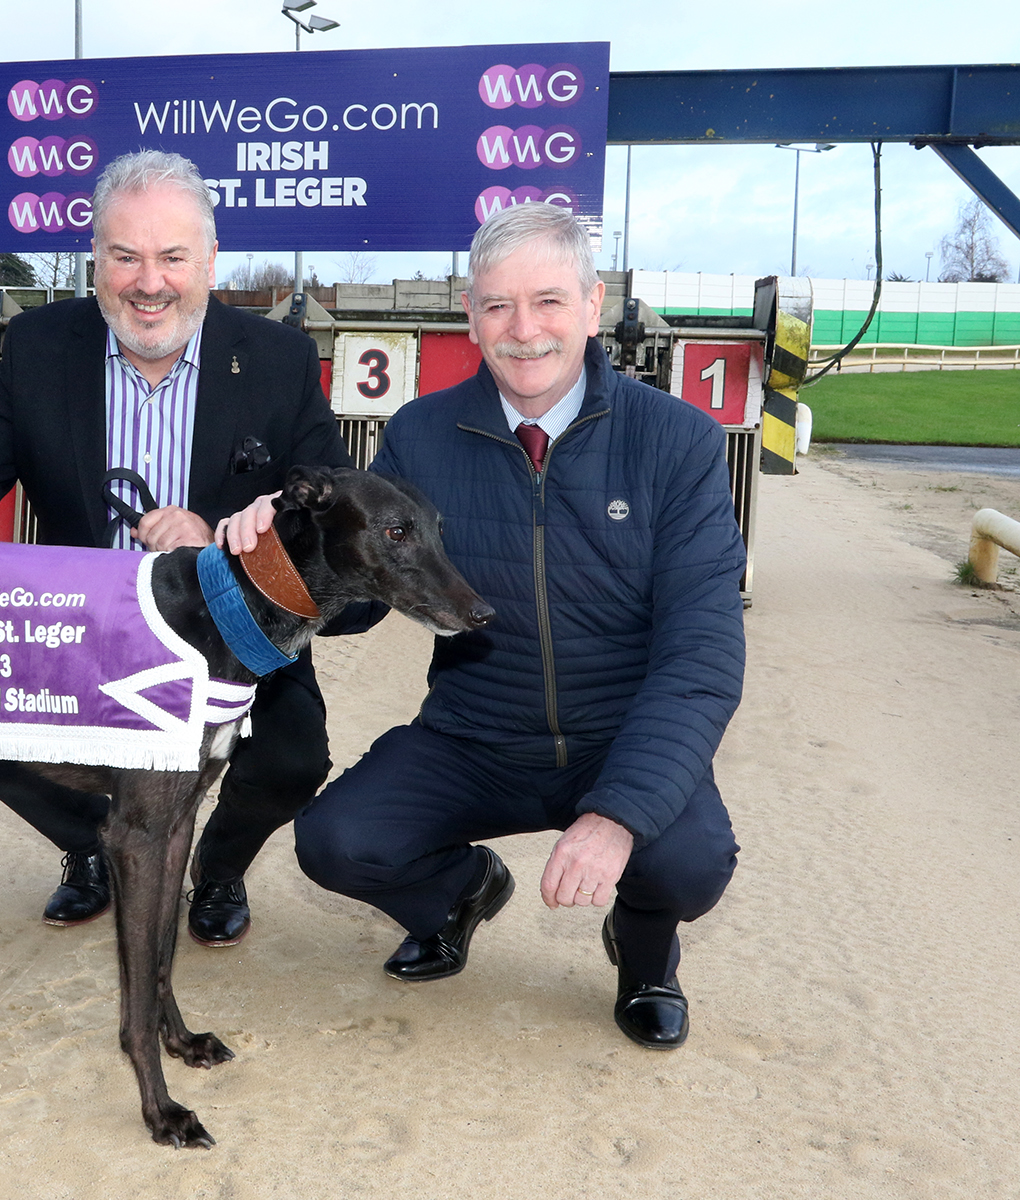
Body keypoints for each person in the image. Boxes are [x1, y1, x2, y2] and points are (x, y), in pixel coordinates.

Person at [221, 202, 745, 1048]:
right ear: (470, 315)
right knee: (335, 840)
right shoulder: (422, 434)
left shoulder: (677, 441)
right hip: (475, 734)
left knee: (686, 859)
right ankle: (460, 893)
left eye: (547, 301)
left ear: (592, 303)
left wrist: (616, 814)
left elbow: (704, 657)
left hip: (619, 734)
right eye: (497, 305)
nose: (523, 329)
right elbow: (355, 596)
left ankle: (645, 953)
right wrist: (280, 544)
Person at [0, 149, 353, 946]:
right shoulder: (40, 345)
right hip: (79, 631)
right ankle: (97, 846)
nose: (150, 282)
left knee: (291, 758)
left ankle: (215, 867)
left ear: (210, 262)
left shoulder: (279, 361)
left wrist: (224, 543)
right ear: (95, 263)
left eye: (173, 257)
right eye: (125, 257)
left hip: (228, 633)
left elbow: (333, 514)